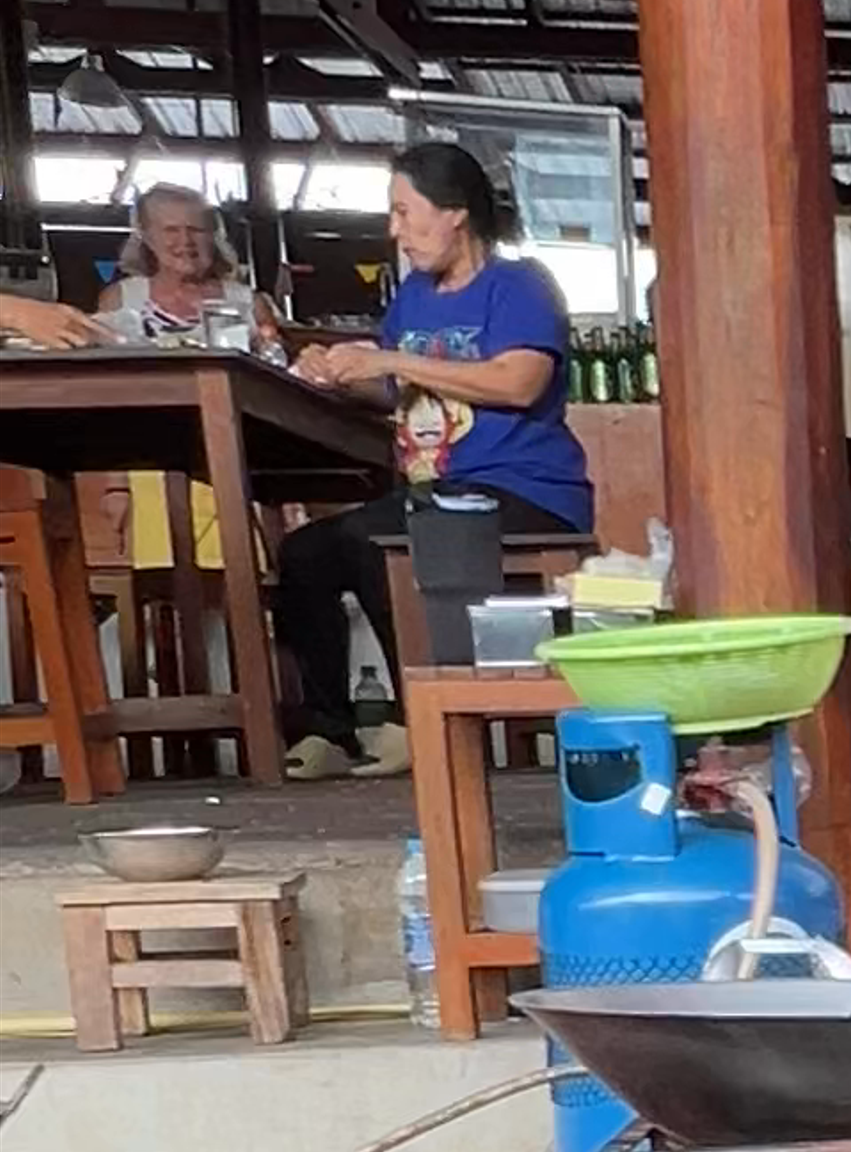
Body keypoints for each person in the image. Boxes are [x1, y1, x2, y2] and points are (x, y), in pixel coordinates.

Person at [273, 128, 592, 774]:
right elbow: (398, 391)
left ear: (455, 213)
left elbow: (518, 381)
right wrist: (336, 370)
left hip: (524, 490)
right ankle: (332, 729)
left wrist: (387, 354)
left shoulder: (520, 285)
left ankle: (414, 718)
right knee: (306, 551)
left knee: (381, 537)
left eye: (405, 213)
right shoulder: (414, 297)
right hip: (435, 490)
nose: (396, 231)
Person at [0, 173, 274, 357]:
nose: (185, 240)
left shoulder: (249, 302)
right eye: (171, 230)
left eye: (196, 230)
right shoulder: (122, 297)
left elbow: (273, 362)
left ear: (214, 237)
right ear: (147, 236)